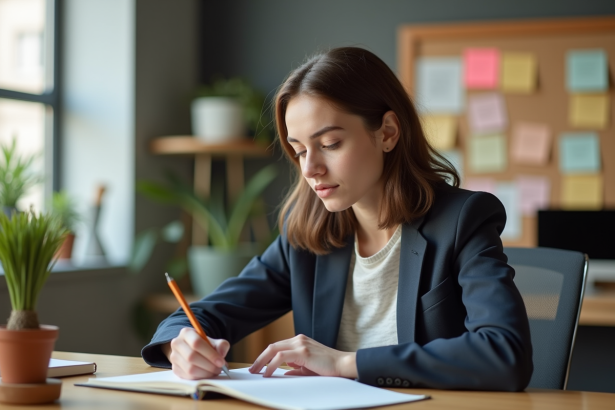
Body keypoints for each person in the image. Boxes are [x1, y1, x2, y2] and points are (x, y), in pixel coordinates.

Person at [141, 46, 533, 391]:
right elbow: (203, 314)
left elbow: (504, 353)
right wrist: (182, 345)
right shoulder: (307, 235)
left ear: (388, 132)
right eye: (298, 150)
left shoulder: (461, 221)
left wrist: (346, 363)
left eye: (329, 144)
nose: (310, 168)